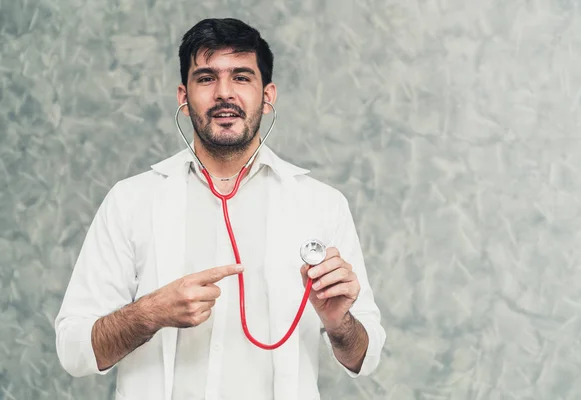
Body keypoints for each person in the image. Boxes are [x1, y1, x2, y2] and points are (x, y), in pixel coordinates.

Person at [55, 18, 385, 400]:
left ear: (268, 95)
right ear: (184, 95)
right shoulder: (130, 201)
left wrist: (339, 321)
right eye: (207, 78)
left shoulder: (322, 205)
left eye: (242, 77)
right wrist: (149, 313)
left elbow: (366, 356)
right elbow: (73, 351)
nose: (224, 93)